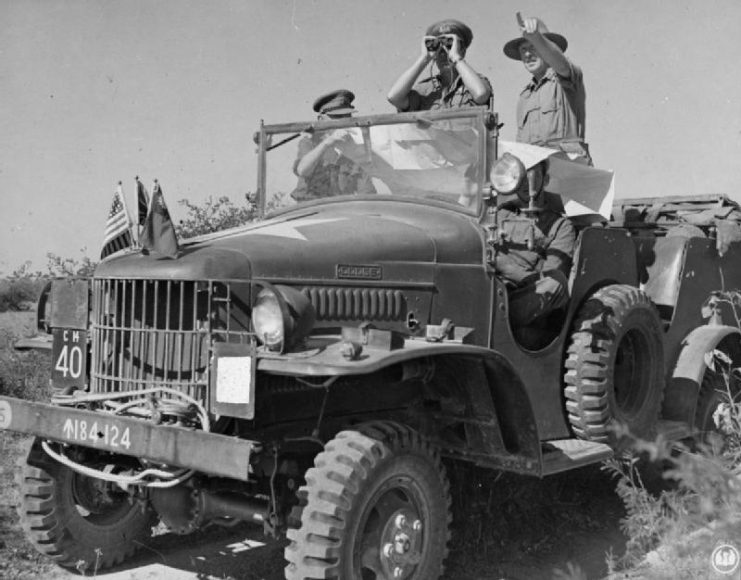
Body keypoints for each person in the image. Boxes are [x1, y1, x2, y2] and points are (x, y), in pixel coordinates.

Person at [489, 158, 576, 326]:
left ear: (546, 180)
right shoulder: (500, 214)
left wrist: (508, 268)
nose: (524, 182)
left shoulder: (560, 225)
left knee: (555, 283)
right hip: (492, 285)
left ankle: (500, 323)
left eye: (531, 175)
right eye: (517, 175)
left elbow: (550, 276)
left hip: (524, 295)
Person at [503, 14, 591, 164]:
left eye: (533, 47)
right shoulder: (525, 96)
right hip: (535, 174)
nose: (528, 54)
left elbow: (561, 64)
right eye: (523, 49)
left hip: (568, 168)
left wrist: (536, 37)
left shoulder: (566, 79)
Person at [387, 19, 492, 112]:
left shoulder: (476, 83)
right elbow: (394, 97)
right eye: (440, 51)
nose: (444, 55)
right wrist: (424, 58)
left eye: (449, 48)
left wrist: (455, 57)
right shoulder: (425, 89)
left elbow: (481, 94)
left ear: (462, 51)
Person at [292, 89, 375, 201]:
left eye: (347, 116)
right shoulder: (310, 142)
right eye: (337, 117)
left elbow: (367, 193)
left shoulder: (356, 149)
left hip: (343, 211)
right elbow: (302, 170)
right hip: (310, 211)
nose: (343, 122)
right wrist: (328, 142)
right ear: (321, 120)